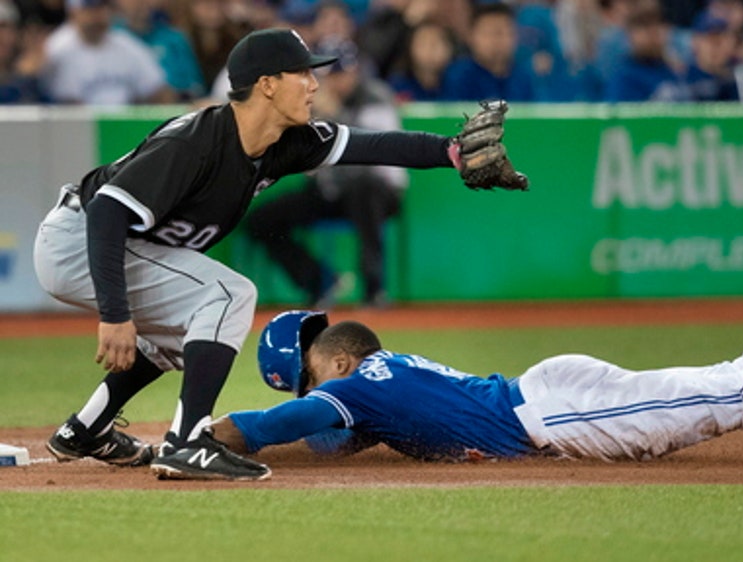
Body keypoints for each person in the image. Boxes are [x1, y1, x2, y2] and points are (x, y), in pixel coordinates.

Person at [33, 27, 520, 481]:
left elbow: (369, 145)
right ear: (266, 85)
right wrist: (115, 315)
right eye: (302, 73)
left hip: (122, 246)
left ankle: (84, 430)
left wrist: (452, 152)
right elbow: (106, 214)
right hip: (78, 241)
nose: (314, 83)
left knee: (192, 333)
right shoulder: (196, 142)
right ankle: (186, 442)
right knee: (229, 294)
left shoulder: (286, 143)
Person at [204, 218, 743, 476]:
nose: (309, 393)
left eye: (306, 378)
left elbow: (268, 429)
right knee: (738, 372)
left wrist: (186, 441)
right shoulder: (380, 382)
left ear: (334, 362)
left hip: (558, 417)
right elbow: (328, 441)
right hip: (548, 393)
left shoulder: (357, 388)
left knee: (734, 395)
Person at [246, 39, 406, 309]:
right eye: (330, 75)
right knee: (263, 220)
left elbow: (375, 153)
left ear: (355, 72)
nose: (336, 81)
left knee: (363, 191)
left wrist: (337, 114)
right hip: (333, 191)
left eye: (342, 73)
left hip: (378, 191)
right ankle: (320, 280)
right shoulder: (311, 101)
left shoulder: (376, 97)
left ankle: (374, 290)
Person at [39, 0, 175, 105]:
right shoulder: (57, 48)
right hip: (77, 131)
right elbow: (63, 104)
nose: (97, 16)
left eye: (102, 8)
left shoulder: (125, 43)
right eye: (90, 9)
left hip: (124, 127)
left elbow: (160, 90)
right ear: (73, 13)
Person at [439, 2, 538, 102]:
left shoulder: (525, 76)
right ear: (471, 37)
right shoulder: (458, 76)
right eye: (488, 33)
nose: (495, 41)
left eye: (502, 33)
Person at [113, 0, 206, 101]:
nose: (139, 2)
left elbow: (194, 87)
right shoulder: (111, 37)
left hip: (171, 109)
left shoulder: (174, 39)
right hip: (122, 110)